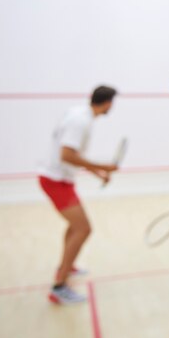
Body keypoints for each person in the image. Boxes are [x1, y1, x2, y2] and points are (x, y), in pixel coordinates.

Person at [39, 85, 119, 305]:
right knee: (84, 228)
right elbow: (66, 155)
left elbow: (73, 156)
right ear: (107, 103)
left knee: (76, 227)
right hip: (56, 181)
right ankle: (59, 287)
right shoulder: (81, 122)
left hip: (61, 180)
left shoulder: (78, 114)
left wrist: (98, 173)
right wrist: (102, 165)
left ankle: (66, 267)